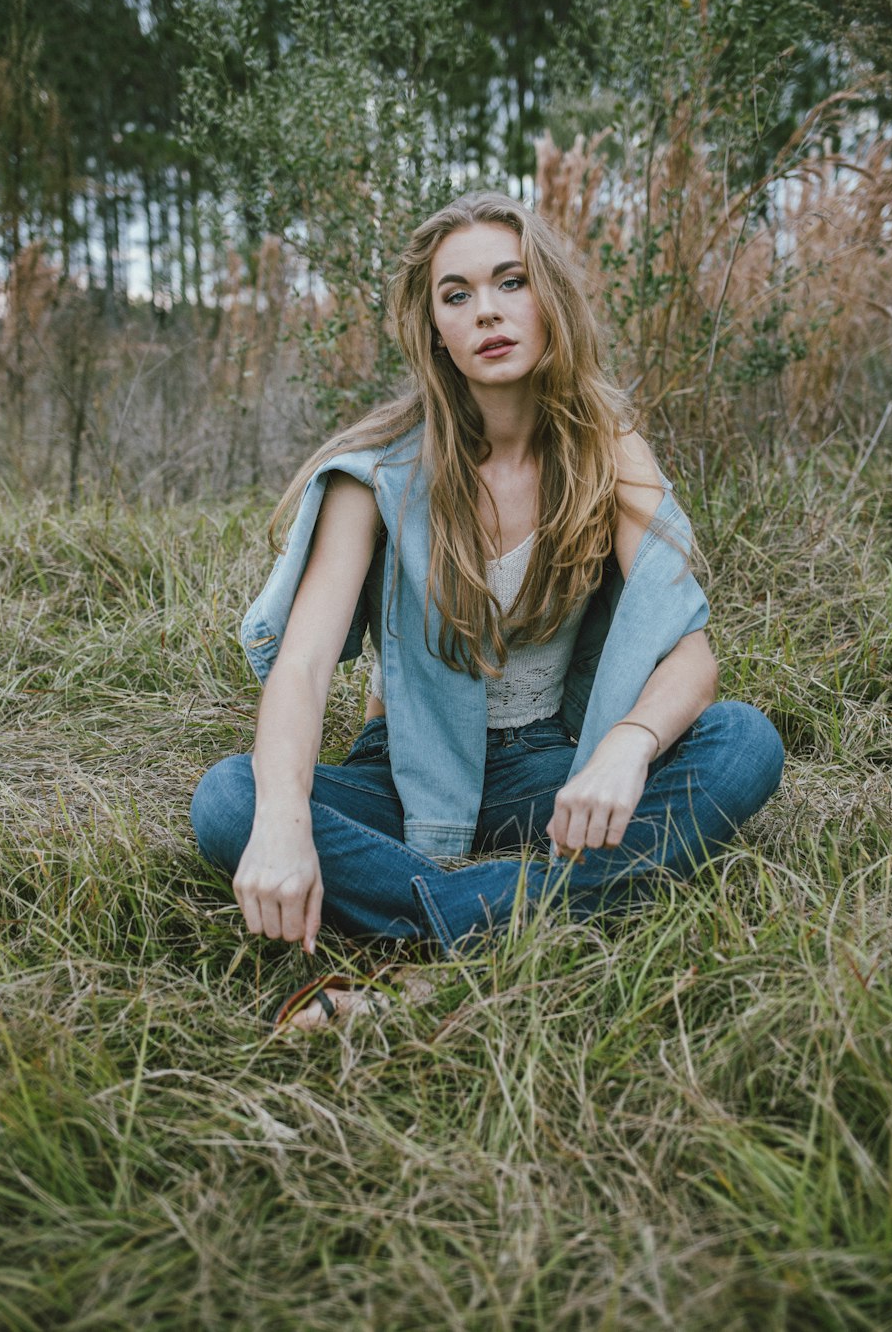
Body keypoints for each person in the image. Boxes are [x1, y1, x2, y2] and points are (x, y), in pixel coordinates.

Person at [190, 192, 784, 1029]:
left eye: (511, 282)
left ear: (548, 300)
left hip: (548, 770)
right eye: (456, 295)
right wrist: (283, 824)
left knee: (744, 743)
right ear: (435, 328)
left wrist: (625, 745)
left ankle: (421, 961)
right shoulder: (380, 472)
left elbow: (690, 649)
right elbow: (305, 662)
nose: (488, 312)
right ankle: (527, 929)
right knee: (230, 803)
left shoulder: (607, 450)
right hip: (401, 771)